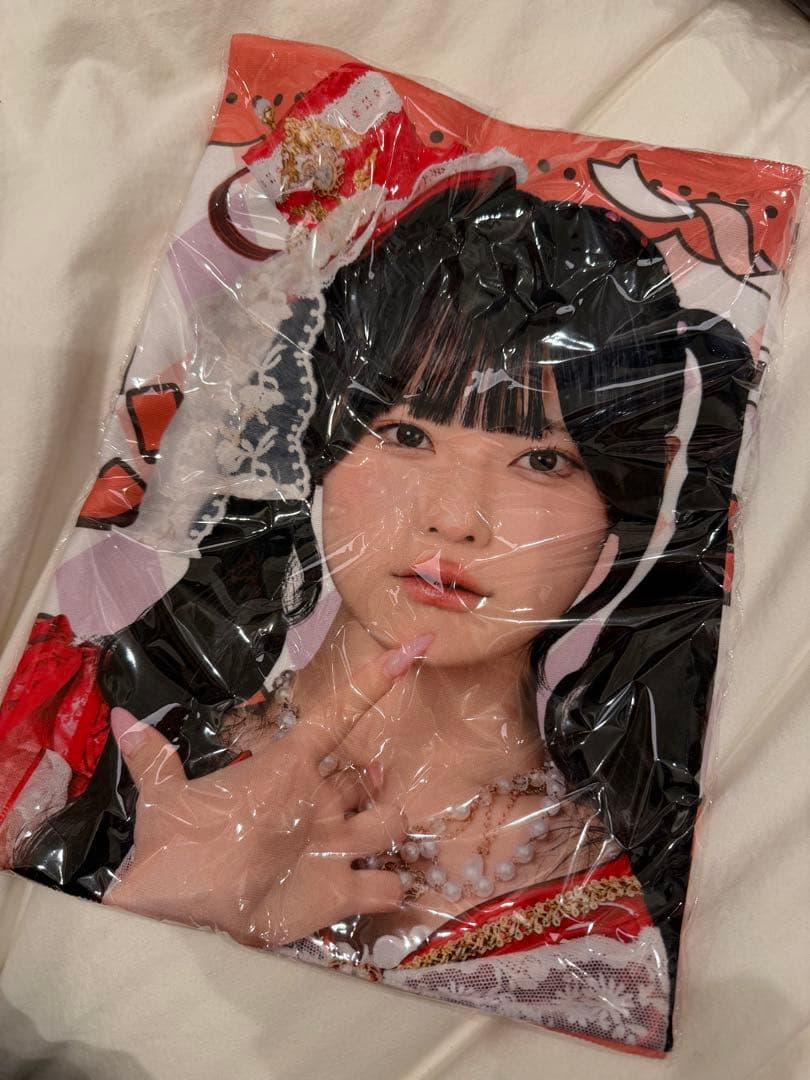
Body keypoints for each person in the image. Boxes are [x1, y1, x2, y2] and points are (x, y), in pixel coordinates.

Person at [9, 153, 753, 1051]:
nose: (455, 518)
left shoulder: (611, 927)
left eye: (542, 459)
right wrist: (162, 907)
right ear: (321, 446)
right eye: (406, 433)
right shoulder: (74, 732)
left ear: (621, 513)